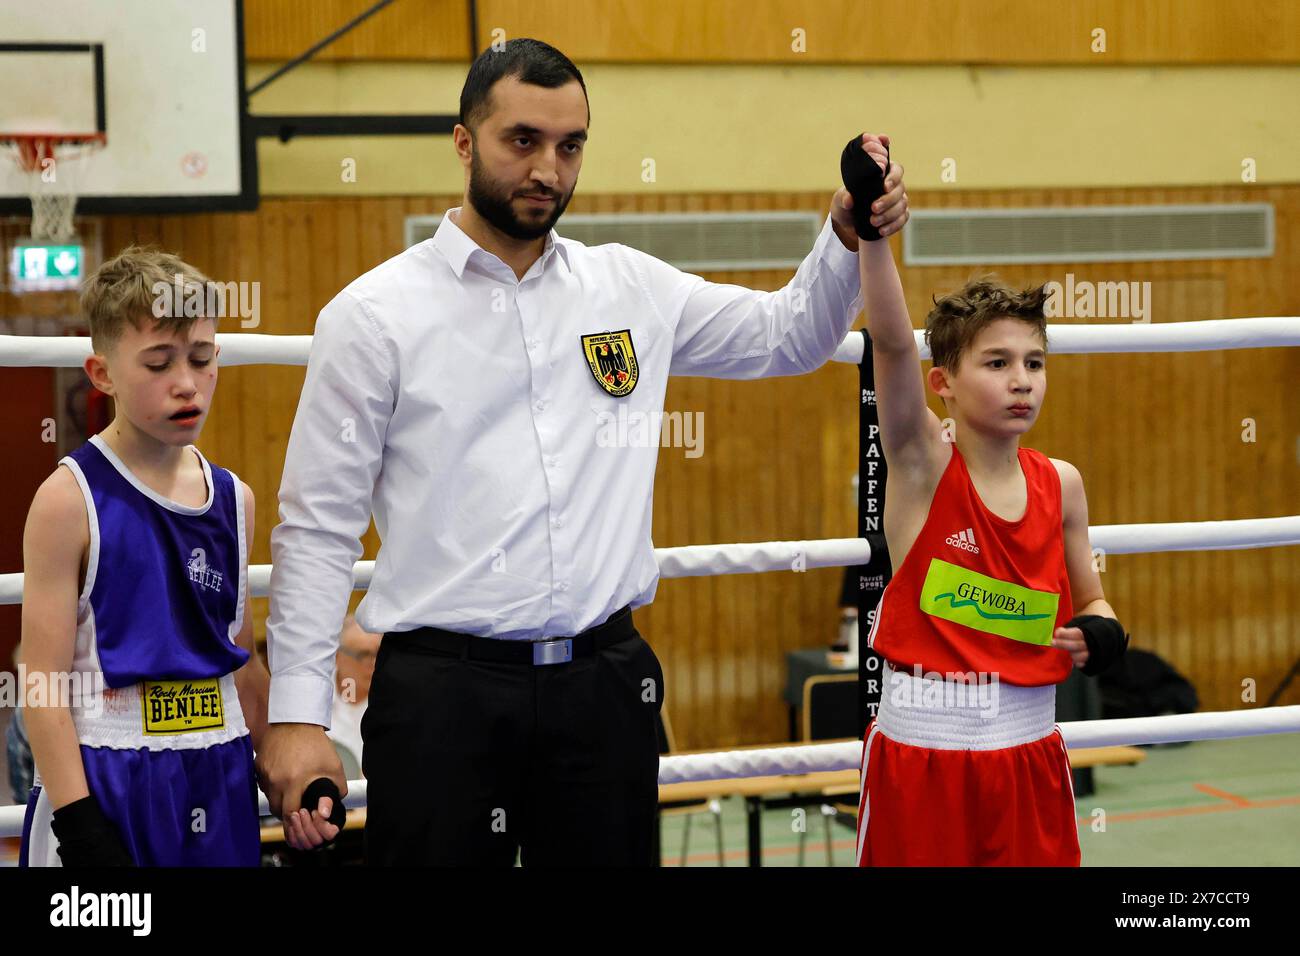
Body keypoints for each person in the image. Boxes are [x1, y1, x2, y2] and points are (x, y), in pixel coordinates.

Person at [255, 37, 910, 867]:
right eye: (521, 140)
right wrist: (298, 717)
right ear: (464, 141)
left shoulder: (630, 288)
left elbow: (791, 337)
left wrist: (844, 235)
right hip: (442, 698)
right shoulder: (374, 315)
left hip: (605, 687)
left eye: (570, 147)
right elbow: (318, 528)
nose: (548, 170)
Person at [841, 134, 1129, 866]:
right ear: (946, 383)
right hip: (924, 754)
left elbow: (1092, 601)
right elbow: (894, 348)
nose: (1021, 380)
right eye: (996, 363)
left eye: (1033, 362)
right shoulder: (920, 469)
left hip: (1030, 750)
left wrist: (1101, 633)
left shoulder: (1060, 483)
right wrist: (874, 232)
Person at [19, 248, 270, 866]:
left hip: (222, 767)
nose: (186, 382)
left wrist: (285, 771)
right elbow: (42, 684)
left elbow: (238, 658)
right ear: (101, 374)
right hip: (107, 773)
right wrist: (79, 824)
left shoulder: (235, 499)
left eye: (202, 358)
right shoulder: (67, 499)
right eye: (159, 363)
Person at [325, 615, 381, 780]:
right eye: (364, 655)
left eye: (379, 654)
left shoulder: (396, 701)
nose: (374, 664)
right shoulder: (314, 700)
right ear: (337, 657)